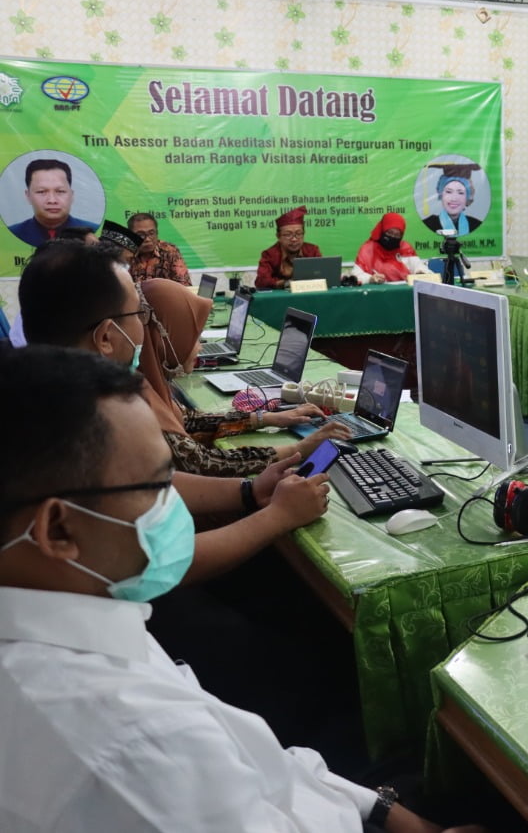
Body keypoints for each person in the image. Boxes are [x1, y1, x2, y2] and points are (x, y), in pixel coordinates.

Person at [0, 346, 479, 833]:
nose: (175, 503)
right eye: (158, 484)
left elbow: (253, 753)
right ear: (59, 529)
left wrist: (388, 811)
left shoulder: (89, 615)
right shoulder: (133, 742)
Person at [18, 240, 330, 583]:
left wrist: (248, 490)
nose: (146, 325)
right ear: (106, 336)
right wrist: (278, 516)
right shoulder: (86, 426)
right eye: (140, 314)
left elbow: (153, 483)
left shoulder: (50, 397)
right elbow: (154, 562)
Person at [140, 278, 351, 477]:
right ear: (166, 338)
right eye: (194, 337)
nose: (200, 347)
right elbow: (203, 463)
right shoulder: (142, 405)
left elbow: (191, 421)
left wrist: (266, 418)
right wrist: (299, 450)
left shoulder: (151, 384)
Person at [6, 158, 97, 246]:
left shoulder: (95, 233)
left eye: (60, 191)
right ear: (28, 196)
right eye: (41, 192)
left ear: (71, 195)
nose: (52, 200)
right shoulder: (11, 234)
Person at [257, 206, 321, 290]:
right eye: (288, 234)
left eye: (299, 234)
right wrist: (286, 283)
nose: (294, 239)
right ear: (278, 236)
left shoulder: (312, 251)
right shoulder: (269, 255)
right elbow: (261, 281)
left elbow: (322, 275)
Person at [354, 213, 429, 284]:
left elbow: (419, 266)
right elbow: (356, 275)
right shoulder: (368, 249)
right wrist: (370, 278)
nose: (393, 237)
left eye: (397, 234)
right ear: (382, 230)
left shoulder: (405, 247)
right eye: (389, 232)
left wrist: (420, 273)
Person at [127, 212, 191, 285]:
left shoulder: (170, 251)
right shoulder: (124, 254)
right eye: (141, 235)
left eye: (151, 233)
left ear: (157, 233)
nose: (147, 239)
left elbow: (184, 284)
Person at [423, 164, 484, 236]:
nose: (454, 198)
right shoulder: (427, 224)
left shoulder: (476, 225)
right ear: (441, 194)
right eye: (449, 192)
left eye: (460, 193)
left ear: (468, 197)